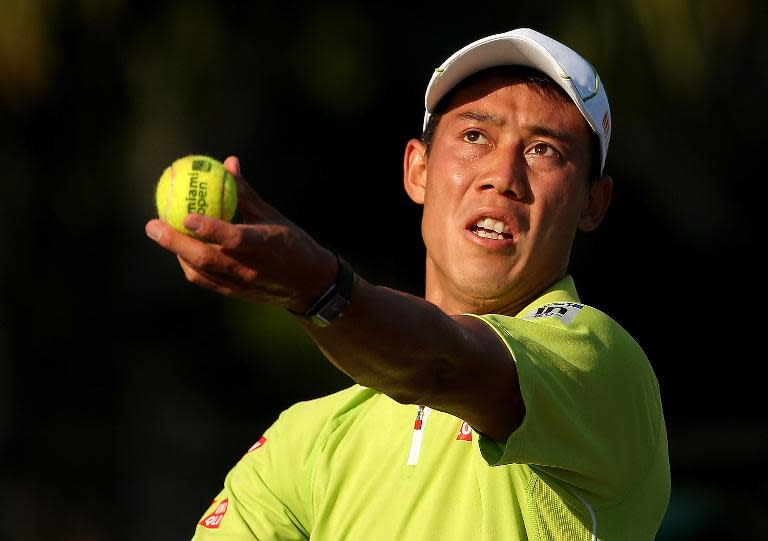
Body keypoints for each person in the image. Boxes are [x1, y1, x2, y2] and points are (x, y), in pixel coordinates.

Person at [145, 28, 670, 540]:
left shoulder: (599, 361)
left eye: (544, 151)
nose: (503, 174)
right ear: (418, 170)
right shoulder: (306, 442)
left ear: (592, 204)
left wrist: (317, 288)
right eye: (474, 136)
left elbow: (443, 361)